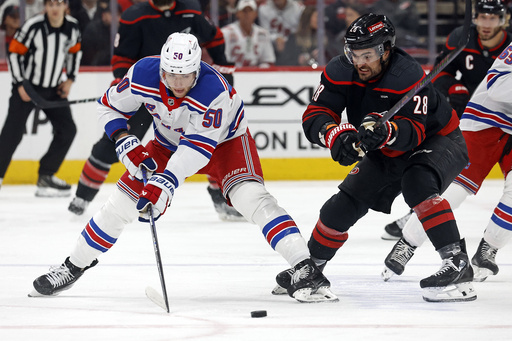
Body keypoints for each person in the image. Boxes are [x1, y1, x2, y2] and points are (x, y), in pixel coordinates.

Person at [29, 33, 338, 304]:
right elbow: (108, 105)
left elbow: (197, 150)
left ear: (197, 70)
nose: (177, 83)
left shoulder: (212, 89)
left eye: (185, 76)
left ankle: (304, 267)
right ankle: (73, 265)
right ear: (161, 67)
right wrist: (124, 140)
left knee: (252, 199)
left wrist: (164, 184)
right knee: (119, 205)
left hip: (225, 143)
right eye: (171, 75)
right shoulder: (143, 73)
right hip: (165, 143)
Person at [272, 13, 476, 302]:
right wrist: (335, 134)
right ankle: (311, 269)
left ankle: (456, 262)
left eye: (367, 54)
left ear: (386, 50)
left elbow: (414, 133)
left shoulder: (408, 74)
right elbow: (315, 114)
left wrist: (387, 130)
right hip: (389, 149)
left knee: (417, 182)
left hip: (440, 139)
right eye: (354, 53)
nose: (359, 62)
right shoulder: (339, 70)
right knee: (342, 203)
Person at [68, 0, 241, 222]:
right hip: (147, 91)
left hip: (185, 92)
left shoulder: (190, 10)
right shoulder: (134, 15)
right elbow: (121, 56)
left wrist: (220, 66)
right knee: (114, 141)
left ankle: (221, 199)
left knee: (205, 144)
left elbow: (214, 36)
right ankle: (82, 196)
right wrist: (123, 80)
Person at [382, 41, 512, 283]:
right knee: (456, 190)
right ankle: (407, 244)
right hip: (486, 121)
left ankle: (488, 249)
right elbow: (497, 87)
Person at [0, 0, 81, 196]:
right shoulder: (33, 26)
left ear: (65, 6)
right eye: (51, 4)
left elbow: (74, 53)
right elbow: (14, 53)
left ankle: (46, 175)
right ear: (45, 6)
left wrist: (70, 79)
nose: (55, 8)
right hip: (28, 87)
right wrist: (20, 83)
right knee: (12, 133)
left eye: (59, 3)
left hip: (54, 88)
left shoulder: (72, 27)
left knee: (67, 130)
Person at [221, 0, 275, 68]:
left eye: (250, 11)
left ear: (256, 13)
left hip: (255, 75)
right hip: (234, 73)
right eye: (244, 11)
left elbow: (269, 61)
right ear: (237, 13)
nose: (247, 14)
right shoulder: (226, 32)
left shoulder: (263, 34)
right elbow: (222, 61)